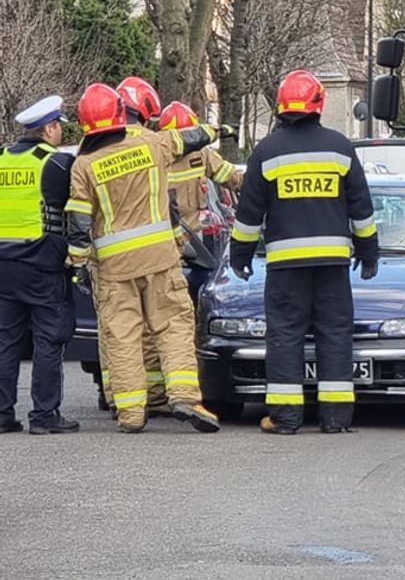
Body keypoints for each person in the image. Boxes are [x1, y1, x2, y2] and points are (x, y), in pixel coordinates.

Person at [65, 82, 225, 433]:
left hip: (113, 268)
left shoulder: (84, 165)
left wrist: (76, 263)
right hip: (160, 259)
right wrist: (217, 129)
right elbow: (190, 137)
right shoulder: (152, 144)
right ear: (120, 114)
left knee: (122, 337)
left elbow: (77, 221)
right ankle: (183, 396)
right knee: (173, 326)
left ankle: (132, 414)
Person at [228, 69, 379, 435]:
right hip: (332, 266)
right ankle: (336, 418)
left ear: (281, 106)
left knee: (284, 336)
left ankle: (285, 418)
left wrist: (240, 257)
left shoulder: (266, 152)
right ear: (319, 105)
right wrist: (369, 254)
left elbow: (248, 215)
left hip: (285, 268)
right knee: (335, 334)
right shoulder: (340, 148)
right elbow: (362, 209)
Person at [0, 95, 80, 434]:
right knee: (49, 338)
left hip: (4, 262)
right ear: (48, 128)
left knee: (5, 340)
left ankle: (3, 415)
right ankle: (45, 416)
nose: (61, 131)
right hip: (43, 261)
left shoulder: (1, 159)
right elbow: (76, 211)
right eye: (58, 125)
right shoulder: (57, 163)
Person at [92, 77, 169, 415]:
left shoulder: (89, 152)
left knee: (116, 332)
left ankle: (119, 398)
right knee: (157, 327)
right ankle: (154, 394)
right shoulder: (155, 143)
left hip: (107, 259)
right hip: (155, 255)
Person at [159, 101, 244, 302]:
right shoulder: (157, 157)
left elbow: (234, 179)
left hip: (194, 245)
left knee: (204, 286)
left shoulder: (203, 155)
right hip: (164, 243)